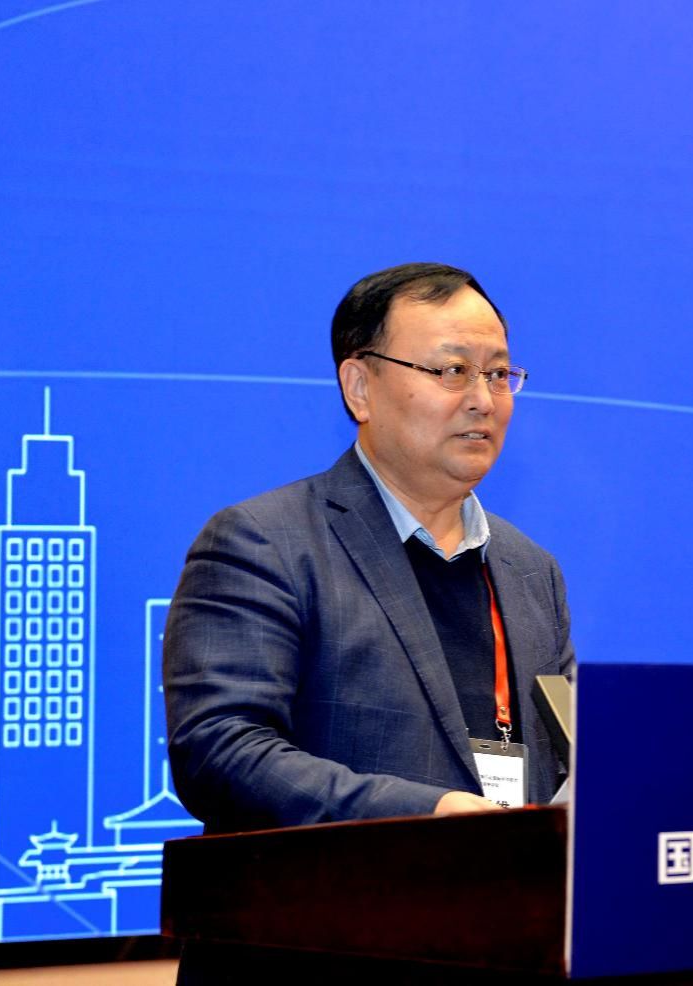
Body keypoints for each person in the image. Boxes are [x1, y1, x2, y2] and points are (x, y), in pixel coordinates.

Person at [163, 261, 575, 836]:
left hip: (518, 889)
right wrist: (425, 815)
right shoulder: (266, 543)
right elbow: (219, 750)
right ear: (360, 387)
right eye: (453, 370)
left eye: (499, 374)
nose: (484, 399)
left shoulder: (531, 570)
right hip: (342, 890)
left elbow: (570, 758)